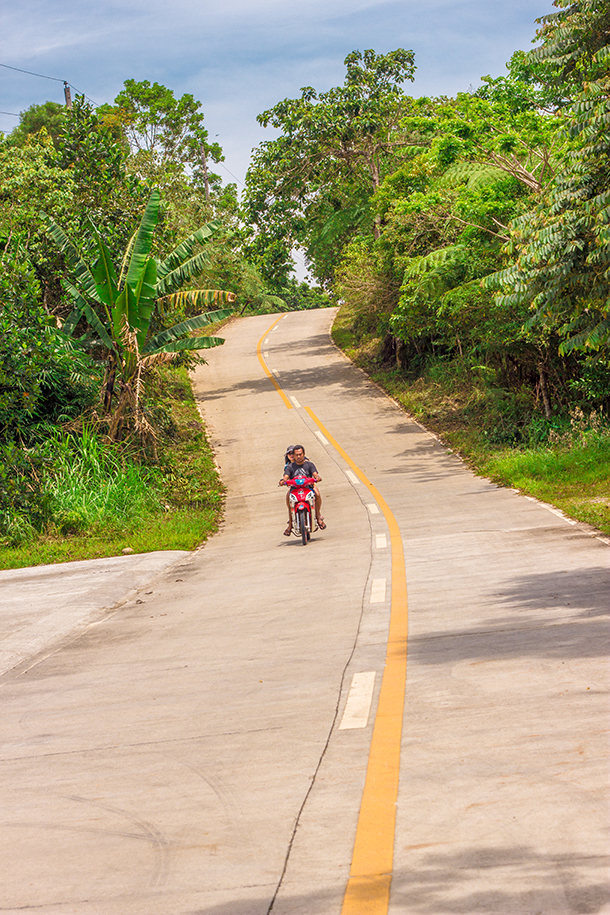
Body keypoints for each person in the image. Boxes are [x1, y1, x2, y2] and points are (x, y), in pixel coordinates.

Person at [282, 445, 325, 534]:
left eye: (300, 454)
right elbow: (285, 476)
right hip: (295, 489)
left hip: (308, 488)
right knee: (288, 499)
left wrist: (317, 477)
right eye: (296, 455)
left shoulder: (309, 464)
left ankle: (317, 516)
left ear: (304, 454)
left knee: (317, 494)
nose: (298, 457)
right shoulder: (290, 467)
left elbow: (315, 474)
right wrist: (283, 481)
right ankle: (290, 523)